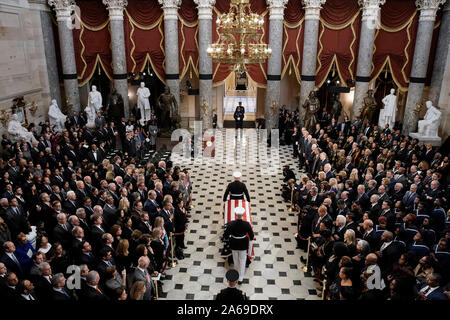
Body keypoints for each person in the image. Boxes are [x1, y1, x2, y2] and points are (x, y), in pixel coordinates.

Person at [223, 207, 254, 283]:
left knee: (235, 260)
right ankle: (241, 278)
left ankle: (236, 274)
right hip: (243, 244)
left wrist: (230, 236)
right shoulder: (246, 224)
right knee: (242, 260)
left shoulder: (231, 224)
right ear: (243, 215)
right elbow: (252, 236)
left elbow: (225, 235)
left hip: (234, 244)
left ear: (236, 215)